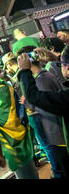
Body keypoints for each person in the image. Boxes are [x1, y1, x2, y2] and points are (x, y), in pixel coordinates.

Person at [0, 64, 38, 179]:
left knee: (24, 173)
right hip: (22, 135)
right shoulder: (5, 87)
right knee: (29, 170)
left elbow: (5, 119)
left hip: (13, 142)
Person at [16, 46, 68, 178]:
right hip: (59, 132)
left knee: (60, 169)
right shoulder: (46, 74)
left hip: (56, 132)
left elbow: (47, 105)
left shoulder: (41, 79)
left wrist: (28, 103)